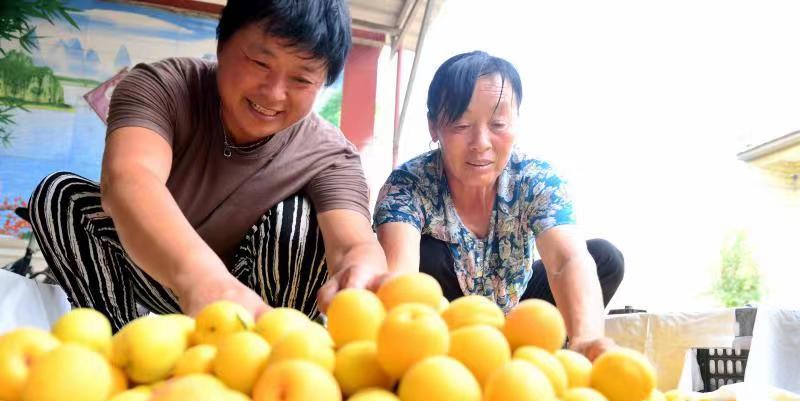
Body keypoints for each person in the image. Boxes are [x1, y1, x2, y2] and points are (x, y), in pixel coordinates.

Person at [27, 0, 386, 331]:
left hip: (257, 306)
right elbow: (130, 179)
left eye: (302, 79)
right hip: (159, 273)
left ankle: (268, 355)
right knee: (60, 196)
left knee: (299, 222)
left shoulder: (330, 154)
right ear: (222, 44)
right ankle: (126, 346)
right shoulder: (162, 87)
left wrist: (360, 274)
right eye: (260, 63)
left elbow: (353, 244)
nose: (274, 93)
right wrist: (204, 280)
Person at [374, 51, 624, 360]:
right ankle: (453, 359)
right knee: (429, 255)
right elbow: (399, 275)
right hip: (445, 328)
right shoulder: (408, 184)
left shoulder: (534, 178)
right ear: (433, 126)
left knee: (604, 257)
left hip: (515, 313)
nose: (481, 143)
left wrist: (586, 338)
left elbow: (565, 259)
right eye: (461, 124)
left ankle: (546, 354)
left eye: (498, 124)